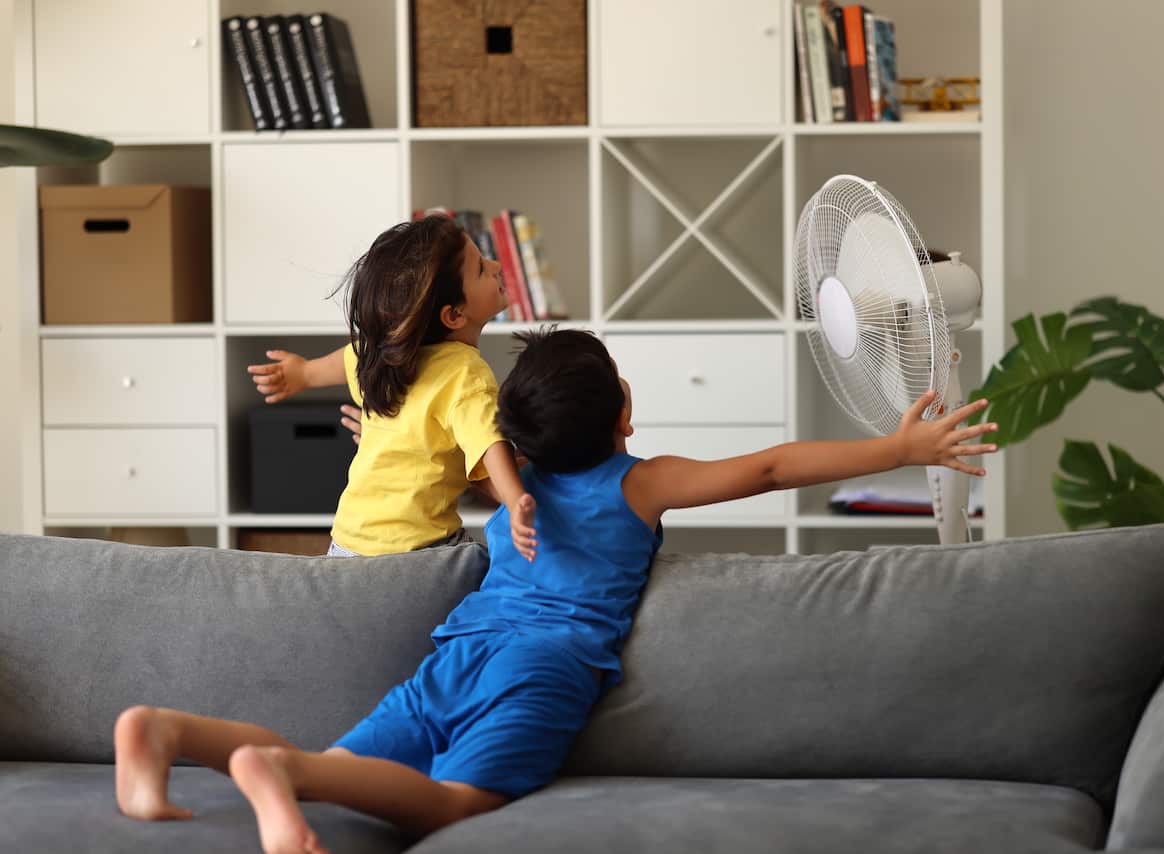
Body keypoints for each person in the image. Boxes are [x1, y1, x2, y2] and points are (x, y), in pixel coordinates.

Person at [115, 328, 998, 854]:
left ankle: (170, 729)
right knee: (457, 804)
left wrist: (379, 436)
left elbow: (432, 464)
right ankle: (279, 769)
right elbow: (767, 467)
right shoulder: (637, 483)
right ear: (621, 411)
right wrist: (896, 450)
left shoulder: (511, 485)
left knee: (345, 768)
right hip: (542, 665)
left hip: (460, 651)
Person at [245, 213, 535, 560]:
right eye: (480, 269)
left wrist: (305, 373)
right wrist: (515, 499)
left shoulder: (386, 358)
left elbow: (351, 357)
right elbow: (489, 442)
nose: (496, 264)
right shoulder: (465, 371)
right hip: (416, 552)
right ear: (454, 315)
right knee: (480, 564)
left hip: (346, 545)